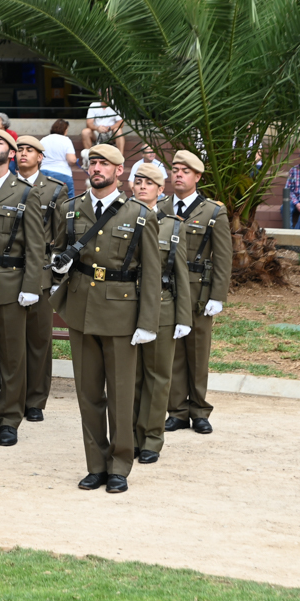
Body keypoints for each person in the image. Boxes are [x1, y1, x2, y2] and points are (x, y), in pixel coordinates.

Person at [48, 143, 161, 494]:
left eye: (104, 164)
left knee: (121, 394)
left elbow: (152, 275)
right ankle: (95, 464)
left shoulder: (140, 215)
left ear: (119, 172)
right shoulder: (70, 209)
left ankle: (120, 465)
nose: (97, 168)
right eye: (92, 163)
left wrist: (147, 322)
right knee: (89, 393)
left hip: (121, 311)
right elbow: (57, 252)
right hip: (81, 310)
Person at [0, 131, 46, 448]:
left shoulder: (26, 193)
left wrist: (32, 286)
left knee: (13, 357)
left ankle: (10, 419)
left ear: (12, 153)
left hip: (11, 284)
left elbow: (36, 246)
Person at [163, 149, 232, 436]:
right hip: (168, 287)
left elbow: (223, 256)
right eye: (175, 169)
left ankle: (199, 409)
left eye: (185, 171)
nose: (178, 174)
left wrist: (218, 296)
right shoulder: (160, 207)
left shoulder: (213, 211)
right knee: (173, 350)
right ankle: (177, 410)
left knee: (197, 349)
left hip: (197, 288)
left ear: (197, 177)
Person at [130, 163, 192, 465]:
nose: (143, 186)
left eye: (150, 182)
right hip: (126, 305)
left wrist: (184, 317)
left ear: (160, 189)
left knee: (157, 376)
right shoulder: (120, 218)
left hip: (163, 308)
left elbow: (181, 275)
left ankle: (151, 438)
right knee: (130, 377)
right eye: (138, 181)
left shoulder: (173, 226)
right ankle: (128, 436)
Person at [23, 143, 70, 423]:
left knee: (39, 339)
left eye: (30, 150)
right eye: (19, 149)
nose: (23, 153)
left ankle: (35, 400)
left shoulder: (54, 189)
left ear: (40, 157)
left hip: (40, 273)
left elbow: (60, 239)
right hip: (9, 274)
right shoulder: (6, 187)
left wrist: (55, 279)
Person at [40, 119, 77, 198]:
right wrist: (75, 161)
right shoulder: (66, 140)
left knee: (43, 198)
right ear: (64, 130)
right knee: (68, 200)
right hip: (62, 173)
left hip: (44, 172)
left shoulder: (43, 140)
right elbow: (71, 160)